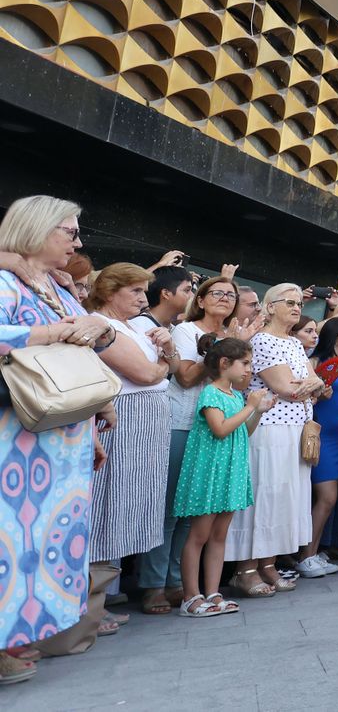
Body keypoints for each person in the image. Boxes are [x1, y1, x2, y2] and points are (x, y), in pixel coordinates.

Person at [0, 198, 113, 677]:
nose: (78, 241)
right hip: (15, 438)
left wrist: (97, 327)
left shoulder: (55, 287)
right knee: (10, 541)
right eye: (69, 231)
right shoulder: (5, 280)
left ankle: (20, 636)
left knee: (42, 542)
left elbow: (89, 346)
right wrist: (56, 332)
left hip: (59, 440)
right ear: (36, 230)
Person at [87, 262, 178, 636]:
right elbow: (146, 374)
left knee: (129, 504)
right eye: (136, 291)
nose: (144, 299)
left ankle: (104, 595)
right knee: (109, 503)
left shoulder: (133, 326)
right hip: (123, 420)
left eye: (145, 291)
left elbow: (166, 368)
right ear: (110, 292)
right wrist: (163, 359)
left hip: (148, 423)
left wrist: (165, 353)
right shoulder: (99, 323)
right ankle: (92, 603)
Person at [225, 284, 322, 596]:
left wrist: (308, 385)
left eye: (298, 303)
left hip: (295, 428)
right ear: (270, 307)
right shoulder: (263, 340)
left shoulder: (294, 343)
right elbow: (286, 387)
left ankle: (268, 564)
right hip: (269, 429)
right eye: (289, 302)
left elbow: (317, 385)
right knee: (264, 495)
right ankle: (246, 569)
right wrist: (307, 385)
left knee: (284, 499)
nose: (296, 307)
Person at [136, 271, 221, 615]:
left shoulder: (236, 333)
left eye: (230, 295)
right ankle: (153, 585)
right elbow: (185, 378)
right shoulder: (187, 330)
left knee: (191, 511)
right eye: (217, 293)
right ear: (199, 299)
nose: (226, 299)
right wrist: (213, 354)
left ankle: (176, 582)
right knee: (169, 507)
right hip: (181, 421)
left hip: (212, 428)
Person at [172, 337, 269, 617]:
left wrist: (257, 413)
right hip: (210, 472)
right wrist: (250, 407)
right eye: (245, 363)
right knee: (199, 535)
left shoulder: (235, 395)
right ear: (225, 364)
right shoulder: (211, 393)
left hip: (230, 471)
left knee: (219, 536)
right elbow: (220, 429)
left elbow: (242, 431)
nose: (249, 369)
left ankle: (213, 593)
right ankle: (191, 596)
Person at [300, 318, 338, 577]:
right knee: (326, 497)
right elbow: (304, 399)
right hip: (319, 434)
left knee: (327, 500)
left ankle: (313, 552)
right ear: (334, 336)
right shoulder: (313, 363)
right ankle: (306, 556)